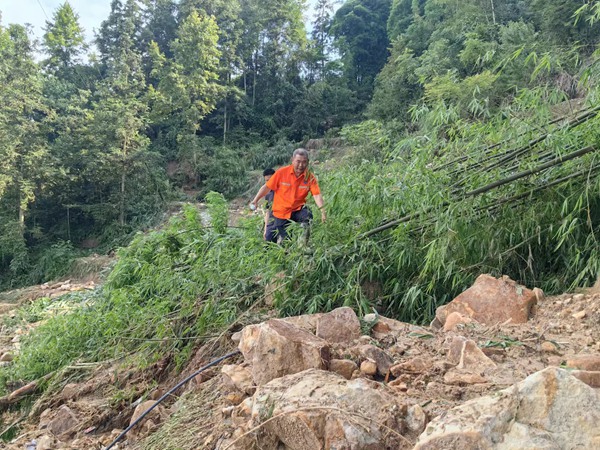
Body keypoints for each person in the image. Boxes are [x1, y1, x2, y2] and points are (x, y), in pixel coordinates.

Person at [251, 148, 326, 243]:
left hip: (297, 210)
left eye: (304, 162)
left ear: (307, 162)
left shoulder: (309, 177)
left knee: (307, 215)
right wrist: (256, 200)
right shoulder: (282, 173)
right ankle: (286, 249)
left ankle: (302, 244)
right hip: (281, 213)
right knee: (286, 241)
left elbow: (317, 195)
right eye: (298, 161)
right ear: (292, 160)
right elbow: (267, 187)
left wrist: (323, 211)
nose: (301, 165)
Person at [262, 168, 275, 239]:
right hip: (271, 223)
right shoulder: (268, 194)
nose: (269, 182)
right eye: (267, 181)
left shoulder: (283, 191)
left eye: (270, 180)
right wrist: (265, 229)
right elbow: (268, 211)